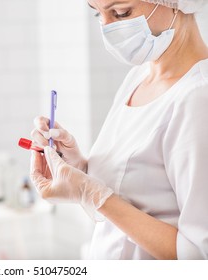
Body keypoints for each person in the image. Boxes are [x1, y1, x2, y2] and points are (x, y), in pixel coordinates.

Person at [30, 0, 208, 259]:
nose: (106, 27)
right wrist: (79, 170)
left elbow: (198, 256)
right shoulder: (138, 78)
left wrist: (94, 195)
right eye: (97, 13)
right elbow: (132, 201)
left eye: (121, 12)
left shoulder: (198, 97)